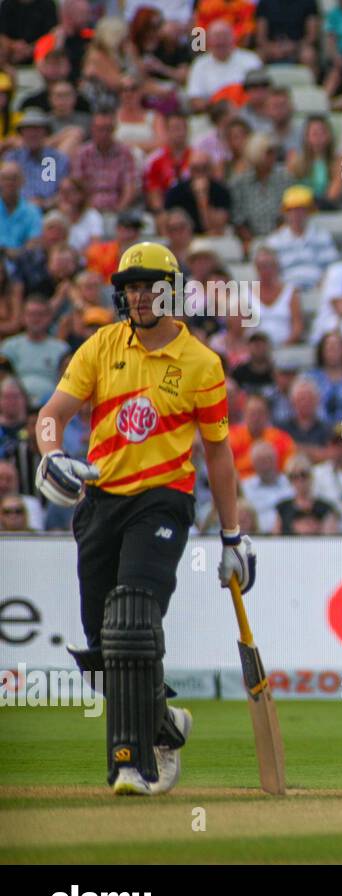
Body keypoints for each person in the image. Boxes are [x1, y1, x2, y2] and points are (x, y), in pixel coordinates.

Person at [32, 240, 255, 796]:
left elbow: (218, 454)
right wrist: (50, 453)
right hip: (101, 499)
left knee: (132, 614)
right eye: (131, 286)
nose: (139, 295)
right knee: (102, 646)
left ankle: (134, 763)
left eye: (150, 285)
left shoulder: (202, 363)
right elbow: (50, 415)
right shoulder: (102, 345)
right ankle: (163, 722)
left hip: (163, 500)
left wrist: (232, 535)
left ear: (171, 291)